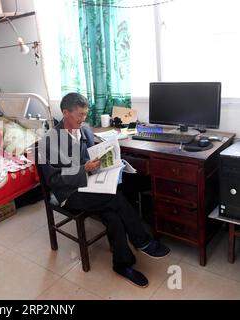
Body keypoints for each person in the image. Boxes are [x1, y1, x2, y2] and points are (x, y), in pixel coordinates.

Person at [38, 92, 170, 288]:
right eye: (79, 115)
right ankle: (141, 241)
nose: (83, 119)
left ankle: (122, 265)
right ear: (65, 113)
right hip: (68, 194)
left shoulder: (85, 131)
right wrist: (84, 169)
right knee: (114, 198)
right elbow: (54, 180)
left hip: (89, 184)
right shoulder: (48, 142)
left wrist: (111, 164)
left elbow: (91, 156)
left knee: (113, 212)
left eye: (85, 114)